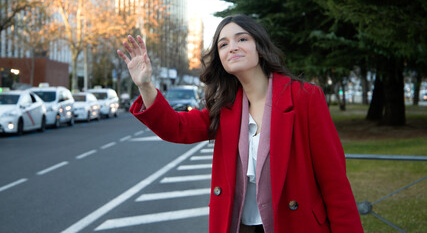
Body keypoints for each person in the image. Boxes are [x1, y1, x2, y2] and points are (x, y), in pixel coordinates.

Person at [117, 14, 363, 233]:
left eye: (242, 39)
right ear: (220, 59)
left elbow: (335, 183)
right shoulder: (225, 107)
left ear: (260, 47)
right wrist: (145, 85)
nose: (232, 47)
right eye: (223, 44)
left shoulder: (304, 97)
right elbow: (176, 128)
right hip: (239, 225)